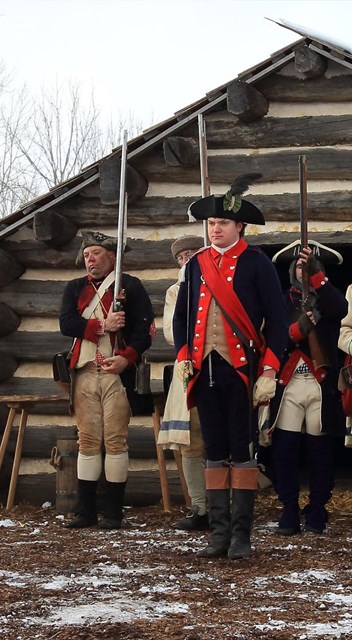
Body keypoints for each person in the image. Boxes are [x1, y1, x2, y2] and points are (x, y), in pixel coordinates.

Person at [173, 174, 288, 560]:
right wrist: (185, 355)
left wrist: (270, 368)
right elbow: (182, 318)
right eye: (211, 223)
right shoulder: (197, 265)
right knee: (213, 447)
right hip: (203, 367)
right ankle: (218, 534)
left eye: (223, 223)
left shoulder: (257, 263)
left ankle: (241, 535)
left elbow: (277, 318)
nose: (216, 228)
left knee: (242, 449)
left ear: (240, 226)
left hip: (242, 369)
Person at [59, 230, 154, 529]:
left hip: (117, 374)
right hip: (85, 371)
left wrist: (127, 357)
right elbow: (67, 323)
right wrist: (103, 324)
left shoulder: (130, 286)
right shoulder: (75, 288)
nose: (90, 259)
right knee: (86, 441)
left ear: (112, 256)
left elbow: (145, 330)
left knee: (115, 441)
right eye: (87, 255)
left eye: (96, 253)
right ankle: (85, 512)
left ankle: (113, 513)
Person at [267, 240, 346, 536]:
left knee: (320, 450)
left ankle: (317, 509)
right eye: (299, 266)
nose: (302, 270)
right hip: (290, 384)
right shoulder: (282, 299)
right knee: (285, 450)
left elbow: (340, 309)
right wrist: (297, 330)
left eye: (308, 266)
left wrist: (318, 279)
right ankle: (288, 508)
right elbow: (272, 335)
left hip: (320, 384)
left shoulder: (328, 297)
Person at [161, 235, 209, 531]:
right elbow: (170, 332)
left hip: (223, 368)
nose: (186, 261)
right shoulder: (174, 292)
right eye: (181, 258)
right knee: (191, 442)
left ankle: (227, 506)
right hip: (188, 368)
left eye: (191, 254)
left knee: (225, 441)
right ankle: (200, 508)